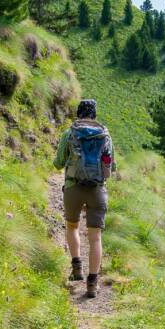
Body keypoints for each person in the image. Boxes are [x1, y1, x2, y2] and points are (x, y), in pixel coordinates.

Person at [53, 99, 114, 297]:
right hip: (97, 190)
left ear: (78, 113)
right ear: (94, 115)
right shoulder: (105, 136)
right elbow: (111, 168)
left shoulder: (69, 133)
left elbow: (58, 163)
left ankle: (77, 267)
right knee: (95, 237)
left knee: (72, 227)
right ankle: (92, 284)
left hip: (73, 187)